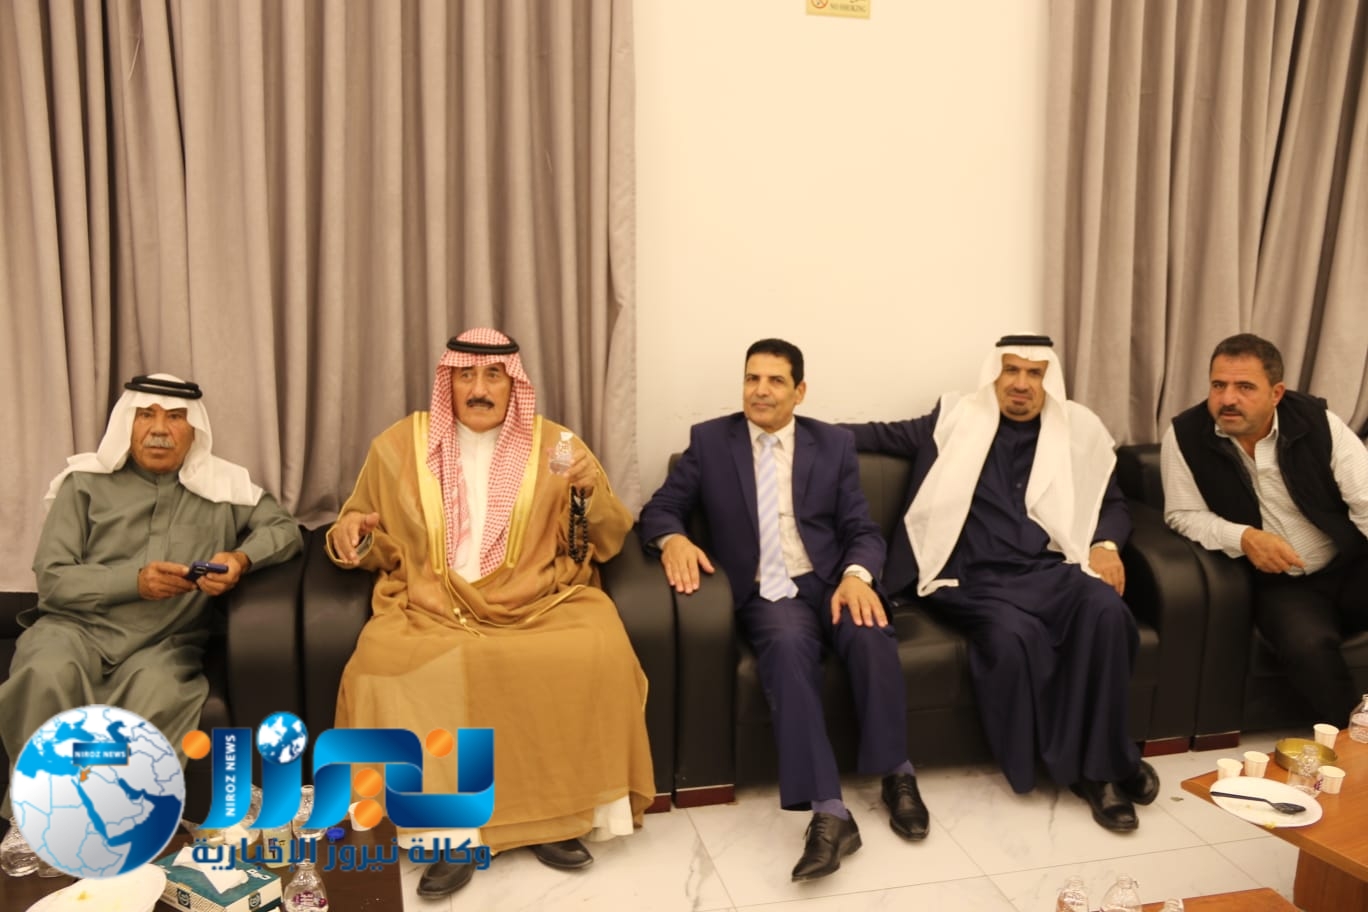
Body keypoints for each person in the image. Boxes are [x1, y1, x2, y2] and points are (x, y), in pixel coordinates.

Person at [327, 329, 653, 900]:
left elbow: (598, 543)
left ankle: (557, 819)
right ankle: (450, 833)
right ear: (447, 382)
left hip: (536, 601)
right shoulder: (399, 446)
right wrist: (352, 534)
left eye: (493, 376)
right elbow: (366, 535)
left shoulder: (557, 447)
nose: (479, 389)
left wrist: (586, 494)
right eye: (466, 376)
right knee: (381, 659)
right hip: (432, 602)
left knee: (595, 645)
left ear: (513, 384)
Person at [638, 338, 929, 883]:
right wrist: (673, 539)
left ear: (799, 391)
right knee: (788, 650)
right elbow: (662, 507)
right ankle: (830, 812)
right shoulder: (711, 441)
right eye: (752, 378)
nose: (761, 390)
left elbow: (861, 528)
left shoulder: (833, 444)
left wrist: (857, 575)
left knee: (870, 632)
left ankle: (897, 773)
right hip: (766, 591)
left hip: (831, 580)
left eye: (775, 381)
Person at [842, 334, 1159, 833]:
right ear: (995, 375)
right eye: (1011, 370)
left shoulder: (1077, 432)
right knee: (1016, 637)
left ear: (1049, 381)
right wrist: (792, 428)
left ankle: (1103, 766)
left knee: (1107, 612)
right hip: (969, 577)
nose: (1021, 384)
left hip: (1048, 570)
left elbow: (1112, 503)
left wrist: (1106, 545)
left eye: (1034, 374)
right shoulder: (953, 419)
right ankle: (1102, 768)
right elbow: (873, 435)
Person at [0, 373, 302, 871]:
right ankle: (34, 821)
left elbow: (284, 530)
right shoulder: (83, 484)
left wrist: (240, 560)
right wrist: (134, 582)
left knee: (158, 693)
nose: (160, 429)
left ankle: (113, 830)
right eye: (147, 415)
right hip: (74, 629)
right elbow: (53, 580)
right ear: (129, 423)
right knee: (45, 672)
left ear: (194, 429)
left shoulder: (223, 488)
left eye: (175, 417)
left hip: (165, 641)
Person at [1161, 333, 1368, 724]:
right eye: (1218, 385)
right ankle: (1354, 737)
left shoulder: (1318, 422)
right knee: (1306, 645)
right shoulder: (1185, 436)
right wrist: (1243, 537)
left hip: (1350, 561)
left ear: (1276, 393)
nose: (1227, 399)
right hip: (1282, 584)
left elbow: (1365, 500)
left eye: (1245, 387)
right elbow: (1183, 514)